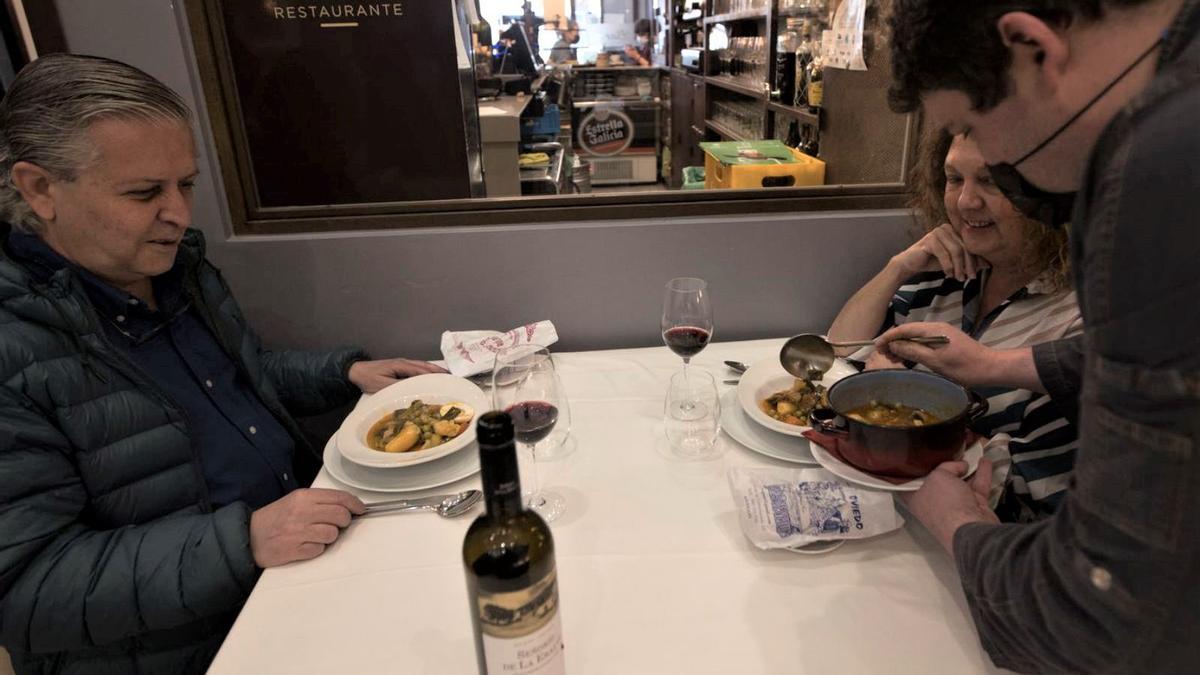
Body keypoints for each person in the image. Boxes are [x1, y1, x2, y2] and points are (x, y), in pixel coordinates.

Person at [0, 54, 444, 674]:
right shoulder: (16, 346)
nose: (180, 213)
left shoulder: (174, 270)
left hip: (297, 571)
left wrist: (343, 374)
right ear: (40, 188)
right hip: (195, 644)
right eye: (144, 192)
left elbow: (239, 378)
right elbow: (24, 591)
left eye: (186, 183)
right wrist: (242, 542)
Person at [882, 0, 1200, 672]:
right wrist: (1007, 364)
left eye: (974, 127)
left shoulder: (1161, 167)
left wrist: (951, 517)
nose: (979, 173)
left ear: (1030, 47)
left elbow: (1101, 619)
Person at [828, 130, 1081, 522]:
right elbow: (839, 352)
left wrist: (898, 409)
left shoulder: (1074, 322)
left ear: (1048, 195)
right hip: (890, 514)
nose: (965, 201)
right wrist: (899, 268)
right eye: (954, 179)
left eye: (990, 182)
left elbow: (1037, 493)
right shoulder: (942, 278)